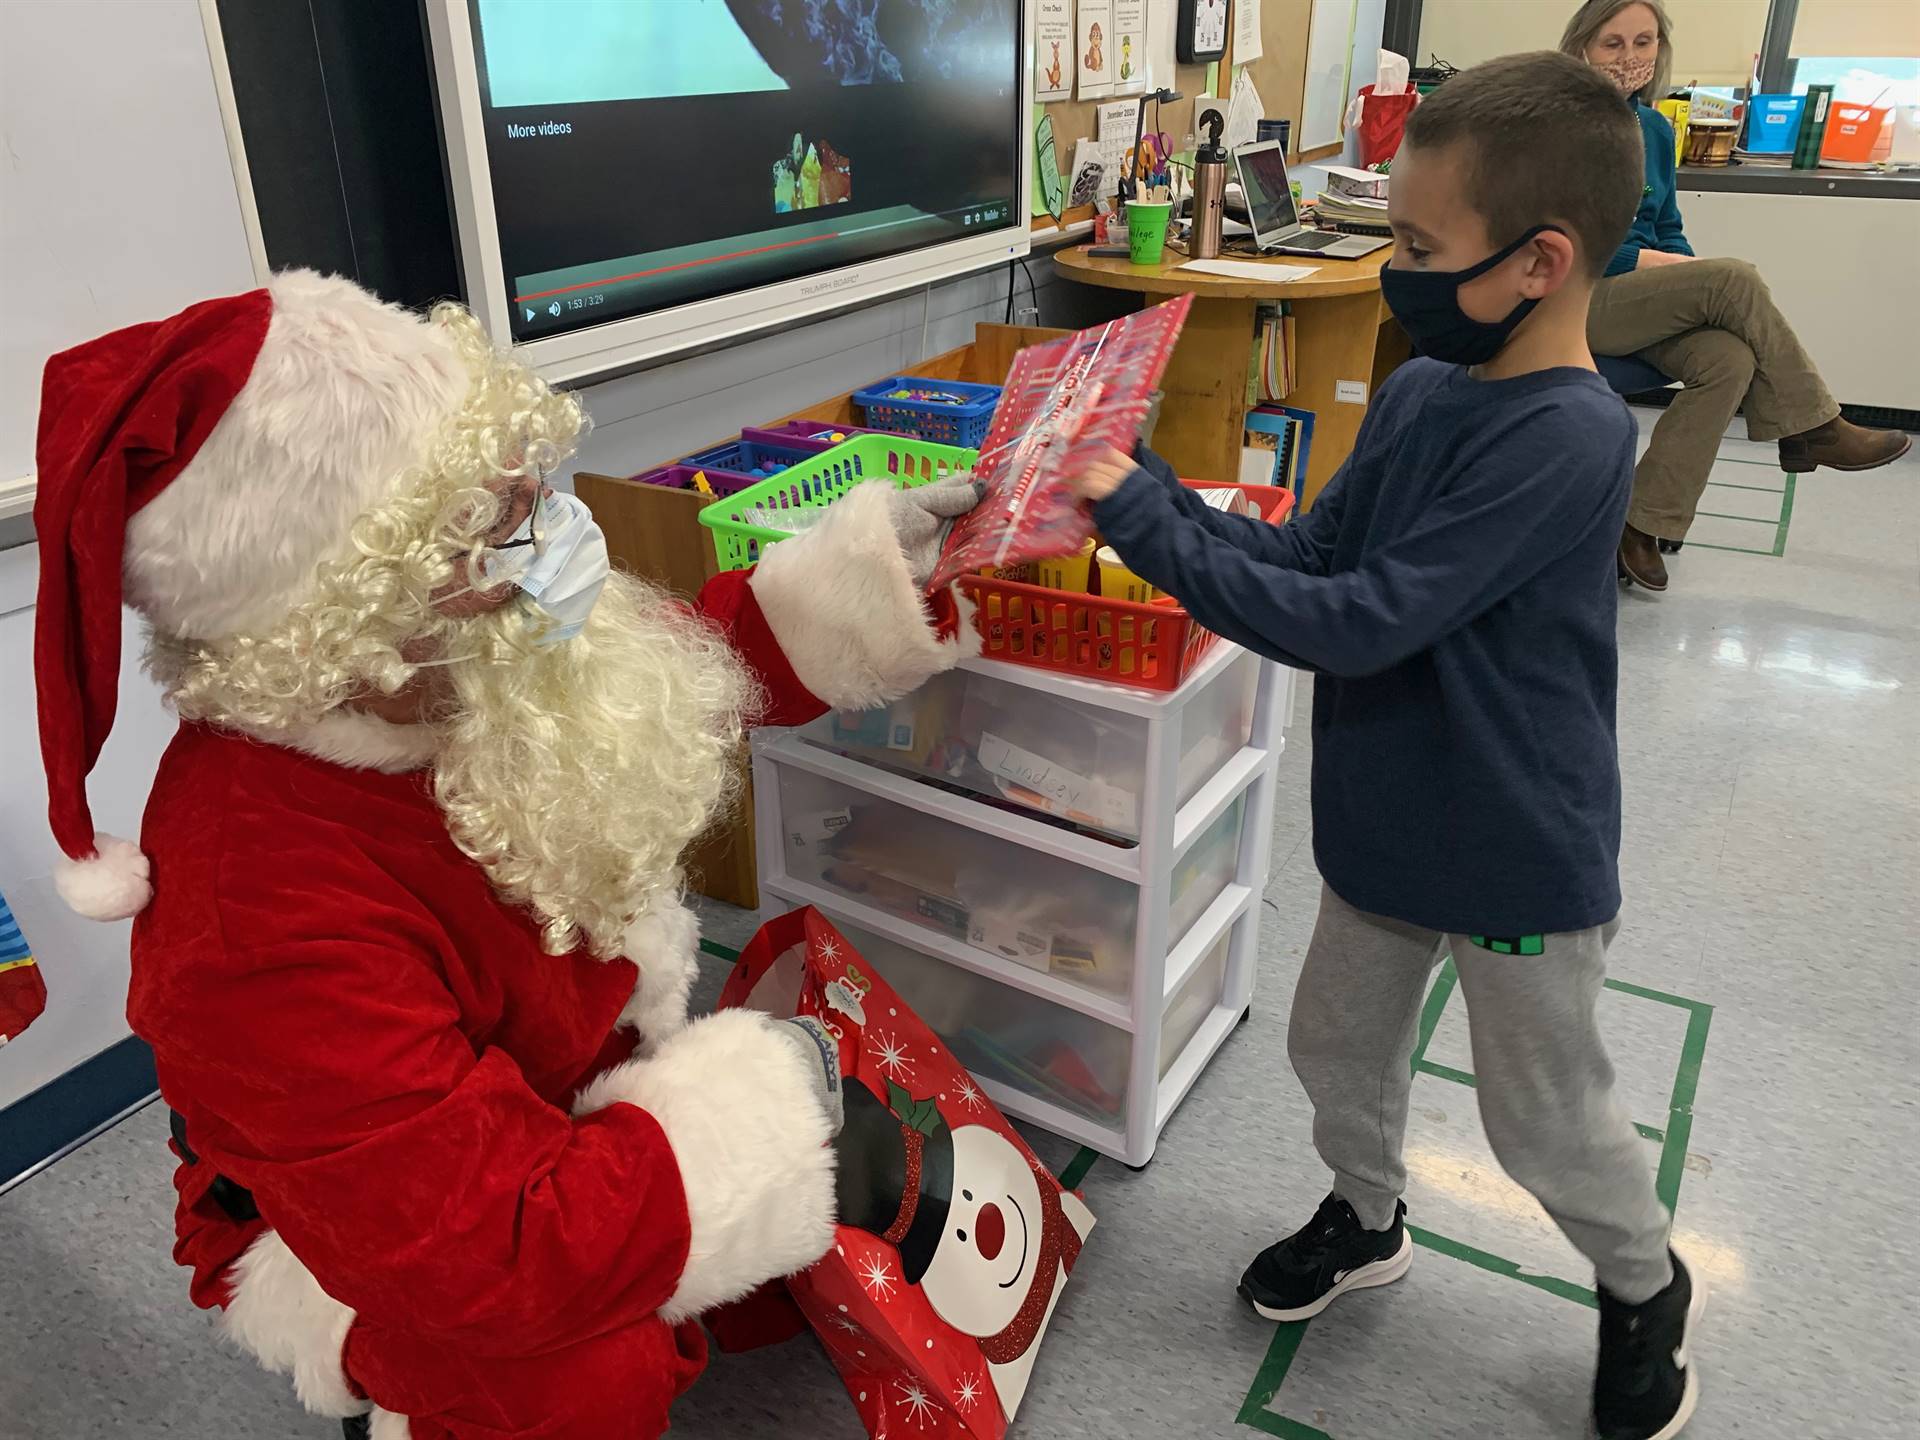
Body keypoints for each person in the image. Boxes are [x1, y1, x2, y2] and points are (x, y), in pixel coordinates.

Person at [30, 271, 980, 1439]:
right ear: (340, 627)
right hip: (374, 1219)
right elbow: (485, 1247)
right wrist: (765, 1103)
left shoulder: (452, 659)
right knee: (574, 1378)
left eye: (524, 483)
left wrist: (854, 597)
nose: (551, 529)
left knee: (808, 1202)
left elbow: (648, 689)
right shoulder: (258, 916)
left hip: (539, 1078)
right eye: (489, 524)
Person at [1066, 54, 1703, 1440]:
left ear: (1540, 263)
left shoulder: (1573, 437)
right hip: (1389, 820)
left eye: (1418, 249)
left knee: (1544, 1118)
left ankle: (1646, 1285)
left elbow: (1359, 623)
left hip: (1517, 844)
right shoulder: (1423, 396)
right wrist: (1159, 489)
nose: (1396, 271)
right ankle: (1364, 1217)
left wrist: (1148, 526)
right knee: (1336, 1048)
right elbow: (1309, 551)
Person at [1564, 0, 1911, 591]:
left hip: (1639, 296)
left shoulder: (1653, 128)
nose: (1630, 58)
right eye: (1612, 43)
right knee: (1734, 277)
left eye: (1643, 43)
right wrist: (1665, 267)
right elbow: (1557, 238)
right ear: (1580, 50)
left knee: (1729, 359)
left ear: (1659, 51)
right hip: (1575, 298)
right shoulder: (1554, 129)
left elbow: (1667, 224)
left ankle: (1642, 525)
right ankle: (1814, 428)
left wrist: (1682, 269)